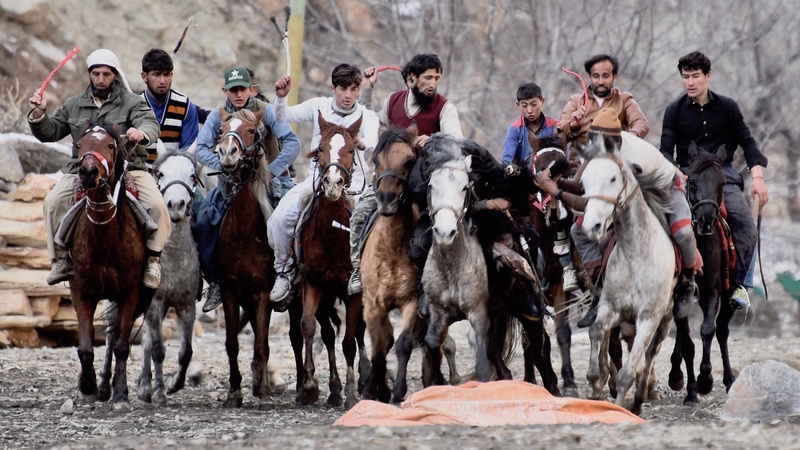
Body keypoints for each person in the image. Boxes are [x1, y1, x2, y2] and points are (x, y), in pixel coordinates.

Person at [535, 108, 701, 326]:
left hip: (665, 186)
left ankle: (688, 283)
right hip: (629, 191)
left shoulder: (631, 157)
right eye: (595, 140)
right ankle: (598, 289)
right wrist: (558, 181)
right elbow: (580, 185)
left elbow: (587, 202)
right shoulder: (600, 149)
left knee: (682, 231)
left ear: (617, 142)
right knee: (578, 230)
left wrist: (555, 191)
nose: (598, 146)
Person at [27, 48, 166, 288]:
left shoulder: (132, 102)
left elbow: (150, 124)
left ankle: (153, 259)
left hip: (128, 167)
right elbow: (51, 132)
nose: (101, 79)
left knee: (157, 205)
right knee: (52, 202)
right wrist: (39, 114)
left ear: (115, 75)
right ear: (90, 74)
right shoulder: (74, 105)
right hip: (82, 170)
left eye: (106, 74)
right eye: (96, 74)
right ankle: (60, 259)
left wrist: (141, 132)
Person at [660, 51, 769, 311]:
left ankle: (740, 285)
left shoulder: (727, 107)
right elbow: (665, 150)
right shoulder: (674, 111)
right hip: (687, 180)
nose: (690, 82)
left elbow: (748, 143)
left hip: (724, 179)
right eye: (685, 77)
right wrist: (677, 172)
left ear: (708, 76)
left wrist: (757, 176)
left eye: (695, 76)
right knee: (660, 225)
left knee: (746, 226)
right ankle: (666, 283)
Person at [348, 53, 464, 296]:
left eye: (437, 78)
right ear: (411, 79)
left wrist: (432, 139)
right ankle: (358, 269)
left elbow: (457, 142)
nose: (433, 83)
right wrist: (367, 91)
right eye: (428, 78)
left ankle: (442, 283)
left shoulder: (445, 107)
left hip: (426, 184)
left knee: (438, 228)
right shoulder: (393, 101)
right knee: (359, 214)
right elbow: (372, 126)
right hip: (391, 177)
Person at [267, 64, 380, 304]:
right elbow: (282, 116)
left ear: (359, 90)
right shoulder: (318, 105)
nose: (348, 95)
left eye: (353, 89)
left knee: (376, 225)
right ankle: (284, 272)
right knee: (278, 220)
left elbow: (373, 139)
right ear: (333, 88)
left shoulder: (366, 116)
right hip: (317, 181)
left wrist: (362, 143)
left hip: (355, 186)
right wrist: (280, 97)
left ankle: (369, 276)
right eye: (342, 89)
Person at [195, 66, 301, 312]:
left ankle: (291, 275)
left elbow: (292, 143)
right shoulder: (217, 114)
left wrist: (271, 171)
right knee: (202, 220)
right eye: (233, 90)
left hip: (272, 182)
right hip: (231, 184)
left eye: (242, 89)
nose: (238, 94)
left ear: (251, 89)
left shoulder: (267, 111)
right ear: (225, 91)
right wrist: (222, 164)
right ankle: (215, 282)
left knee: (292, 220)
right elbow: (202, 148)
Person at [558, 54, 649, 146]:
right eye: (596, 76)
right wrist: (572, 125)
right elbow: (557, 133)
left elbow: (641, 123)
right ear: (590, 77)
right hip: (580, 159)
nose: (601, 82)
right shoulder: (576, 101)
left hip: (615, 157)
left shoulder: (624, 99)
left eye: (606, 76)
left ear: (614, 77)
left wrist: (627, 138)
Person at [140, 48, 200, 166]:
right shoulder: (134, 105)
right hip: (141, 174)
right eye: (156, 75)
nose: (162, 81)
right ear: (144, 76)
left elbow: (188, 152)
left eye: (166, 75)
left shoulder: (185, 105)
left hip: (174, 175)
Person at [501, 82, 560, 168]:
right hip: (523, 178)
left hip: (549, 175)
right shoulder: (514, 129)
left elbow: (562, 156)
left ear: (542, 102)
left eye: (533, 104)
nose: (529, 110)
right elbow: (507, 159)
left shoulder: (555, 126)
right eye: (524, 105)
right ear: (518, 105)